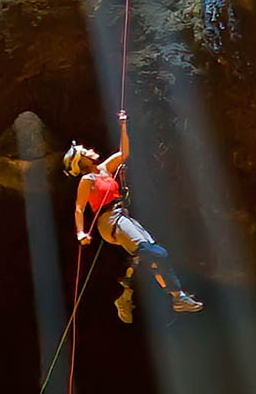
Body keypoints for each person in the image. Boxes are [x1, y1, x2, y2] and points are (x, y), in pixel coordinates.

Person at [66, 110, 203, 322]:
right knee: (155, 254)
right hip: (110, 222)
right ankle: (177, 298)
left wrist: (123, 125)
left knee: (155, 255)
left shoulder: (104, 169)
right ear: (80, 161)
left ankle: (140, 294)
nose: (91, 150)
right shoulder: (88, 180)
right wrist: (81, 232)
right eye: (85, 151)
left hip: (123, 217)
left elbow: (123, 153)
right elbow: (78, 207)